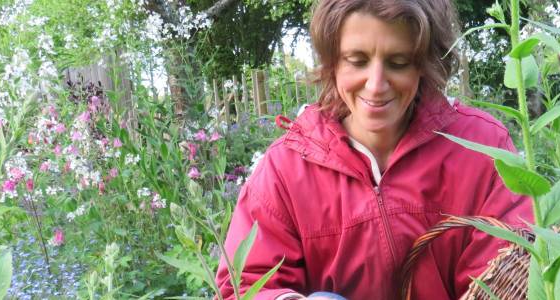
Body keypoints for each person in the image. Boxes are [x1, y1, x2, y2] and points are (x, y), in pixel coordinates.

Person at [215, 0, 533, 299]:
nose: (376, 85)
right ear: (332, 62)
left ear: (423, 65)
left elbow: (509, 270)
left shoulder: (481, 147)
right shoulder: (285, 169)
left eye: (398, 63)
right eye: (357, 61)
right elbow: (244, 283)